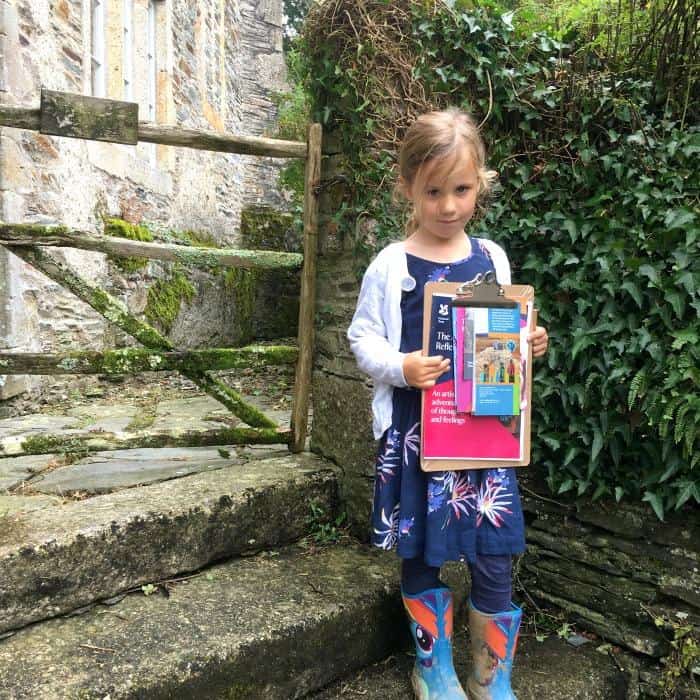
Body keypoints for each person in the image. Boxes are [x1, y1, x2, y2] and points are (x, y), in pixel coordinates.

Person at [347, 108, 549, 700]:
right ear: (407, 186)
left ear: (479, 182)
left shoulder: (492, 258)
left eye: (460, 189)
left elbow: (507, 333)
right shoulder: (390, 264)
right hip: (416, 436)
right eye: (432, 191)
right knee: (421, 549)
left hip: (483, 437)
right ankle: (432, 670)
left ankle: (491, 675)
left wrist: (529, 341)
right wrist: (401, 367)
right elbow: (363, 339)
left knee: (493, 551)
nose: (448, 205)